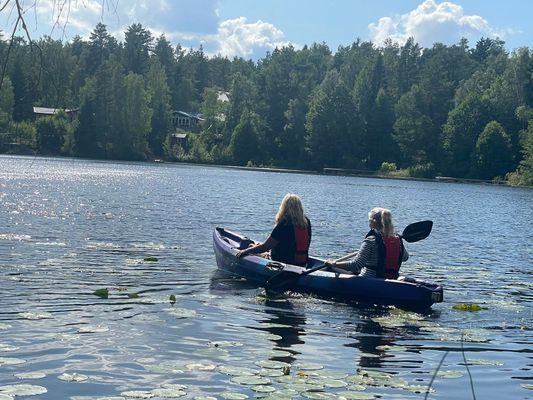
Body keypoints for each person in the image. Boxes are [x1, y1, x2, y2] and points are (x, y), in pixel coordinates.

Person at [327, 207, 408, 278]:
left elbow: (356, 265)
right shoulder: (398, 240)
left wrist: (334, 264)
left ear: (373, 223)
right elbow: (405, 258)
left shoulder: (370, 241)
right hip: (391, 278)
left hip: (369, 280)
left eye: (369, 220)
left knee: (332, 268)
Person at [236, 193, 312, 266]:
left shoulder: (285, 223)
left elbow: (266, 246)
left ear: (284, 207)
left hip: (280, 263)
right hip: (302, 263)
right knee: (256, 246)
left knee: (250, 246)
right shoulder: (306, 222)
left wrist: (246, 251)